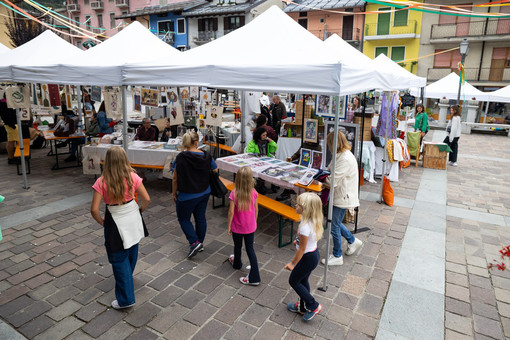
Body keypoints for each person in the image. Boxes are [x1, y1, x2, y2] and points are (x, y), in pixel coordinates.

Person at [90, 147, 150, 309]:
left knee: (118, 257)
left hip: (114, 216)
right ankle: (127, 278)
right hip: (131, 212)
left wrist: (101, 222)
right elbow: (146, 199)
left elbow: (94, 209)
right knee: (132, 246)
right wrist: (139, 211)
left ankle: (126, 299)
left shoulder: (101, 181)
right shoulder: (133, 176)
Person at [173, 131, 217, 258]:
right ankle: (200, 242)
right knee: (200, 218)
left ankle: (194, 242)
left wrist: (174, 192)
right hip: (204, 191)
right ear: (197, 142)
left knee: (183, 219)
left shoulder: (181, 157)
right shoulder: (206, 156)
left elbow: (175, 178)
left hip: (187, 194)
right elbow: (215, 169)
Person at [322, 131, 362, 266]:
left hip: (343, 196)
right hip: (341, 194)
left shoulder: (344, 158)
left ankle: (337, 255)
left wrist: (322, 180)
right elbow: (329, 170)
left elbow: (331, 180)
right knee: (335, 223)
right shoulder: (340, 155)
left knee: (334, 226)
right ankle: (352, 241)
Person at [285, 192, 324, 321]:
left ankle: (313, 305)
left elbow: (302, 249)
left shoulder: (305, 227)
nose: (296, 205)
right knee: (302, 280)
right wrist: (297, 241)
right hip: (313, 255)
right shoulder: (312, 221)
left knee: (294, 281)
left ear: (306, 209)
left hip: (307, 258)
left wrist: (292, 264)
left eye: (298, 204)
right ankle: (302, 306)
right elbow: (306, 242)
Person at [227, 166, 261, 286]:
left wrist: (229, 226)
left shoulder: (234, 194)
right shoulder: (254, 193)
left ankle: (237, 264)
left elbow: (231, 212)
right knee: (250, 249)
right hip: (250, 227)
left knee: (237, 245)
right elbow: (256, 210)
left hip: (237, 227)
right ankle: (254, 274)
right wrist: (254, 222)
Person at [246, 127, 278, 194]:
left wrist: (270, 141)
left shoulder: (267, 142)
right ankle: (261, 185)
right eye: (263, 135)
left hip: (267, 160)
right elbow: (249, 153)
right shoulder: (253, 143)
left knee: (275, 169)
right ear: (259, 135)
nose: (265, 137)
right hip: (257, 161)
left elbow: (274, 148)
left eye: (266, 135)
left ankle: (273, 185)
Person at [0, 97, 19, 164]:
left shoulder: (4, 103)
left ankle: (11, 157)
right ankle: (11, 158)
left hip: (10, 124)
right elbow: (6, 116)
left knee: (11, 141)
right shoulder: (4, 104)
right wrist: (12, 125)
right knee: (11, 141)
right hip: (11, 125)